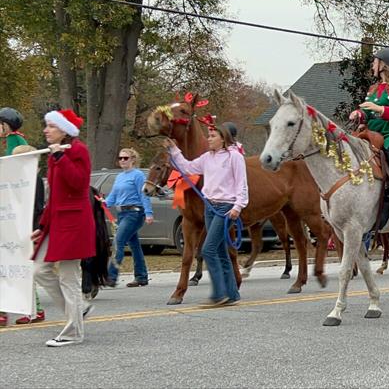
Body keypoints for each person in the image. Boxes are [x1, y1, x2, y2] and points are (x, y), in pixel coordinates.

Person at [164, 122, 247, 307]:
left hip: (225, 207)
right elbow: (187, 167)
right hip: (209, 206)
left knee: (208, 249)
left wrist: (238, 206)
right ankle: (232, 294)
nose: (208, 139)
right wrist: (174, 149)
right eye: (208, 136)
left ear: (223, 138)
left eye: (212, 136)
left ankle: (218, 294)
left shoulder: (234, 157)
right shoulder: (207, 158)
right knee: (219, 251)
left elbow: (242, 184)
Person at [31, 109, 95, 347]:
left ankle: (73, 331)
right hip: (57, 223)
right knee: (40, 270)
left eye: (51, 126)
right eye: (46, 126)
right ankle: (78, 309)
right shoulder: (55, 154)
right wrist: (42, 225)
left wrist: (61, 158)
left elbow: (79, 184)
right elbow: (54, 196)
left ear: (64, 130)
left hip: (74, 223)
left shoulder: (77, 150)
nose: (46, 130)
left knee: (69, 277)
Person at [349, 47, 389, 223]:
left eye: (375, 61)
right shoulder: (374, 89)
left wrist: (379, 109)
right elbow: (367, 112)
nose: (372, 65)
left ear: (383, 65)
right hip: (372, 133)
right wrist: (359, 114)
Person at [0, 145, 46, 327]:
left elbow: (36, 208)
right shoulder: (10, 179)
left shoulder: (34, 181)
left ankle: (35, 309)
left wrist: (33, 230)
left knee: (24, 271)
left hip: (27, 230)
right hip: (9, 228)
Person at [104, 148, 154, 287]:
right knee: (134, 245)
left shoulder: (138, 175)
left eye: (125, 158)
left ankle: (111, 277)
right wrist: (101, 203)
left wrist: (149, 213)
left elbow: (144, 195)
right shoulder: (120, 177)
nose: (122, 161)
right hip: (121, 213)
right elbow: (112, 197)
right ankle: (141, 277)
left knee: (118, 242)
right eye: (120, 158)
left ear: (133, 159)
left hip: (134, 213)